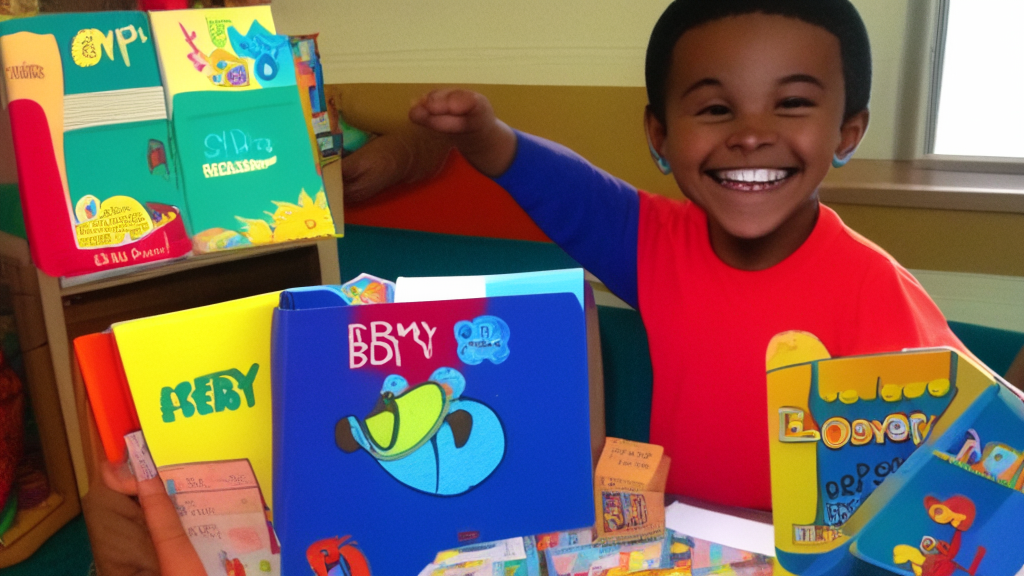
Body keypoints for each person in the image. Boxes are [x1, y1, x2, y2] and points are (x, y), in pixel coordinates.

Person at [343, 0, 969, 511]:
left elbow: (977, 435)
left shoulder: (875, 287)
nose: (750, 134)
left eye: (793, 103)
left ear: (848, 133)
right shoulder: (657, 243)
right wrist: (488, 139)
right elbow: (579, 197)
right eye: (715, 108)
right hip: (678, 543)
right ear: (661, 137)